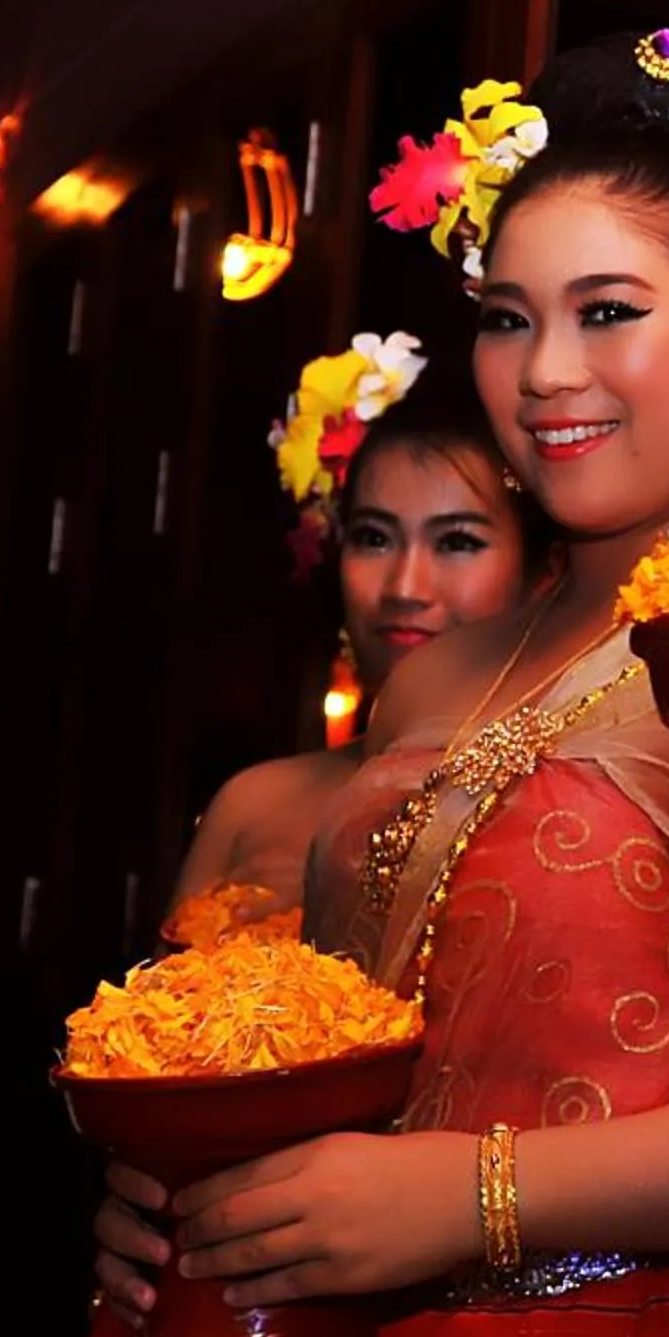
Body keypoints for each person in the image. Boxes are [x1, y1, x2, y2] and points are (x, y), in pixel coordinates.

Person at [72, 28, 669, 1337]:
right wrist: (192, 1180)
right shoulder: (438, 680)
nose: (546, 370)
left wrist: (471, 1197)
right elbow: (345, 1036)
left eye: (608, 312)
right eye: (507, 315)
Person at [157, 350, 550, 946]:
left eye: (458, 543)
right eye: (373, 538)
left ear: (544, 575)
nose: (403, 588)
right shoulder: (252, 806)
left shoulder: (564, 808)